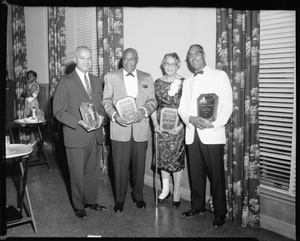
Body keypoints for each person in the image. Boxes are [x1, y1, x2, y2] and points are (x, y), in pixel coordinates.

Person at [178, 44, 233, 228]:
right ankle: (198, 206)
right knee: (196, 174)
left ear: (204, 55)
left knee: (216, 176)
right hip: (192, 133)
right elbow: (182, 109)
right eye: (190, 55)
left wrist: (214, 123)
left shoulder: (219, 75)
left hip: (212, 134)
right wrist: (191, 119)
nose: (193, 58)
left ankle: (220, 212)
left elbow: (226, 105)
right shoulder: (187, 82)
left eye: (196, 54)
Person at [53, 46, 108, 220]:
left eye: (89, 58)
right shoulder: (66, 81)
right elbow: (58, 111)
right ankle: (78, 206)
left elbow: (102, 106)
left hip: (95, 134)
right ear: (75, 60)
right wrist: (78, 122)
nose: (86, 62)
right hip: (76, 134)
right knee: (76, 172)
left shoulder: (97, 80)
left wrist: (102, 117)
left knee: (93, 171)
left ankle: (91, 201)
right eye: (82, 58)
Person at [102, 48, 157, 213]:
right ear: (122, 60)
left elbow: (153, 101)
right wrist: (114, 116)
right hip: (119, 129)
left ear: (137, 60)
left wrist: (145, 111)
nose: (128, 62)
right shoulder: (111, 76)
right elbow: (105, 101)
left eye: (131, 59)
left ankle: (138, 196)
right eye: (125, 59)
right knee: (119, 166)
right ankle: (119, 200)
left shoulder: (147, 77)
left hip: (140, 130)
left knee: (139, 167)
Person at [150, 53, 185, 208]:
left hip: (177, 128)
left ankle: (176, 192)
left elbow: (188, 108)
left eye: (173, 64)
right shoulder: (157, 83)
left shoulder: (185, 83)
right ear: (163, 65)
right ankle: (165, 190)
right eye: (167, 64)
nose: (170, 67)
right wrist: (155, 124)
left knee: (176, 159)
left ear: (178, 65)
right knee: (162, 159)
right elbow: (152, 105)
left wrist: (181, 126)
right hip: (161, 128)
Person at [21, 70, 40, 146]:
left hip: (33, 104)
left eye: (30, 76)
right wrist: (26, 91)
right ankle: (33, 140)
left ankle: (34, 141)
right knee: (29, 123)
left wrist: (27, 85)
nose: (29, 77)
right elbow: (23, 94)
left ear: (35, 78)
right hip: (28, 104)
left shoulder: (35, 85)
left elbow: (28, 94)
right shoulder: (29, 85)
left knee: (33, 123)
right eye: (28, 76)